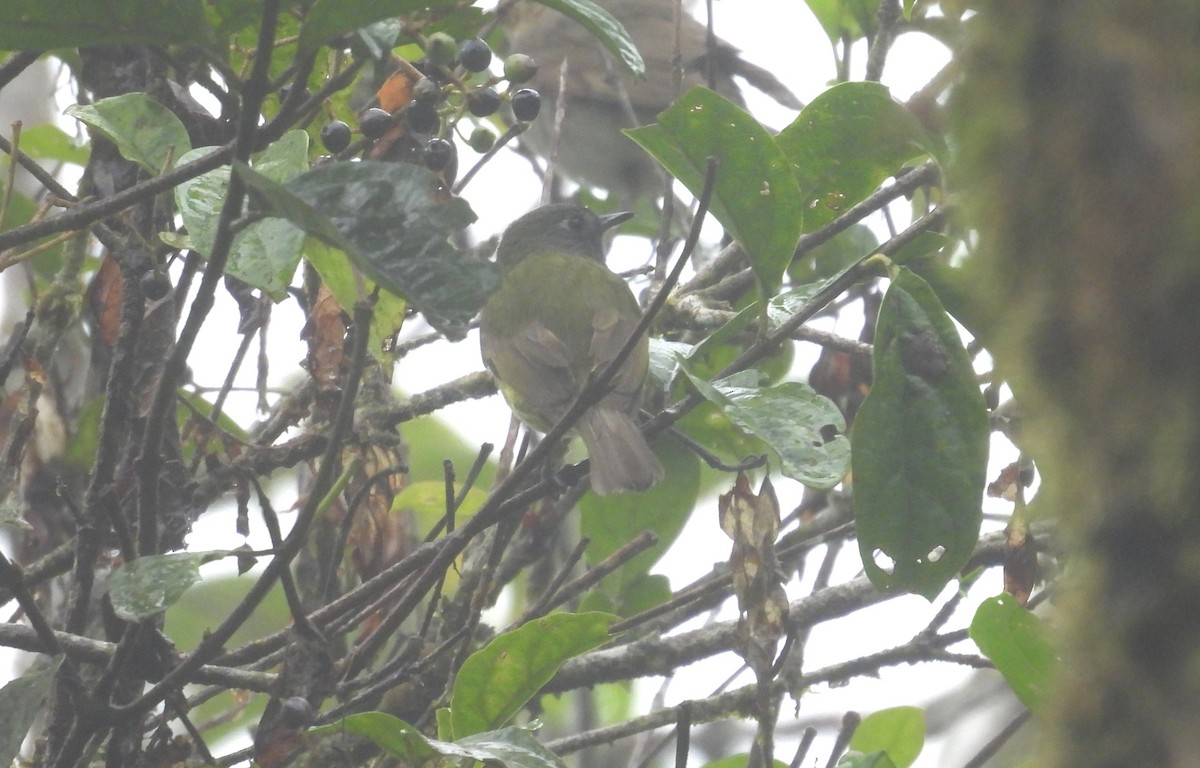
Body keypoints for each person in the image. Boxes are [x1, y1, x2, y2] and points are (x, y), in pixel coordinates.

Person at [498, 0, 801, 203]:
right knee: (776, 168)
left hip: (661, 103)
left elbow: (614, 77)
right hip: (694, 94)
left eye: (509, 9)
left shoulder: (534, 44)